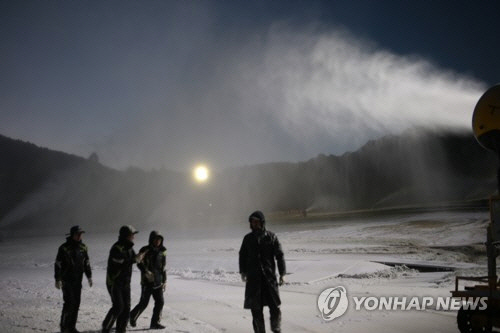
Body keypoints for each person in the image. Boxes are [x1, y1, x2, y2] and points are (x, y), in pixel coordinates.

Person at [239, 211, 286, 333]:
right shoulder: (248, 239)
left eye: (256, 221)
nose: (254, 224)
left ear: (262, 222)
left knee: (275, 307)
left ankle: (276, 329)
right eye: (252, 222)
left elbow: (279, 255)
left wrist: (282, 273)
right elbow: (242, 255)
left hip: (269, 278)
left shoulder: (271, 237)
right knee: (256, 310)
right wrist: (243, 271)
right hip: (254, 280)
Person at [102, 225, 144, 333]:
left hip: (125, 282)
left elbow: (136, 260)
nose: (133, 237)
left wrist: (146, 270)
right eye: (131, 235)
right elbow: (120, 263)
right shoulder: (116, 248)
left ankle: (121, 330)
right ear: (126, 236)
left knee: (126, 308)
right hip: (114, 282)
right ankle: (106, 328)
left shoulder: (129, 248)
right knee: (118, 307)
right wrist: (134, 259)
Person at [55, 225, 92, 333]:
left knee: (76, 304)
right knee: (69, 303)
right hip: (67, 281)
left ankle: (71, 327)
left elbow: (86, 263)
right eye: (77, 234)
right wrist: (58, 279)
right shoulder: (64, 248)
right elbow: (58, 264)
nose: (80, 236)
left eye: (81, 234)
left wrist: (89, 276)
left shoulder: (83, 247)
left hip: (77, 281)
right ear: (72, 235)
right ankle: (64, 327)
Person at [130, 231, 167, 329]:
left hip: (158, 282)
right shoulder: (145, 249)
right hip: (147, 282)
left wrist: (164, 281)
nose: (158, 241)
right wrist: (146, 272)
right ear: (151, 239)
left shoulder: (162, 251)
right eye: (156, 239)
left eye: (159, 239)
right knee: (144, 303)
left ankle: (154, 323)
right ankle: (132, 316)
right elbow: (138, 262)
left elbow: (163, 267)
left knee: (160, 302)